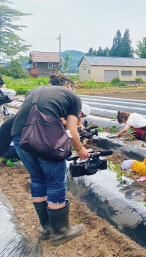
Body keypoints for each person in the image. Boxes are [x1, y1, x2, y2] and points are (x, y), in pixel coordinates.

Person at [11, 74, 89, 246]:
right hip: (43, 138)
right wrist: (80, 148)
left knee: (38, 180)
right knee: (55, 182)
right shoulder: (73, 97)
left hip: (19, 137)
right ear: (69, 86)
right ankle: (61, 232)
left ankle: (46, 229)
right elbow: (72, 130)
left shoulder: (35, 90)